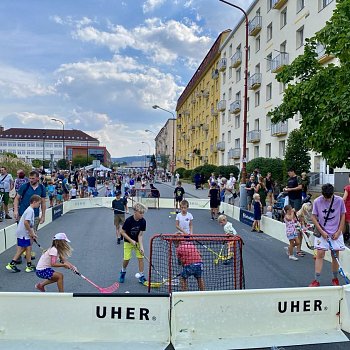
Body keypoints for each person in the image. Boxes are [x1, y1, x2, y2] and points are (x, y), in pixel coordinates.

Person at [309, 184, 346, 287]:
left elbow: (343, 215)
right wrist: (322, 232)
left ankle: (335, 279)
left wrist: (339, 231)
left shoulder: (339, 201)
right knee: (320, 254)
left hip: (336, 232)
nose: (327, 199)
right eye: (325, 197)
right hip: (322, 232)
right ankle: (316, 280)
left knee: (335, 255)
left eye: (329, 197)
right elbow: (313, 217)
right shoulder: (317, 201)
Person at [6, 195, 41, 273]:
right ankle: (12, 263)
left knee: (27, 248)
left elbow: (29, 224)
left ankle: (28, 265)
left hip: (23, 233)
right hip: (23, 233)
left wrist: (33, 233)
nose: (39, 205)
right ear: (34, 202)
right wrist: (31, 233)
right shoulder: (30, 211)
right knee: (24, 248)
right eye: (39, 203)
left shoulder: (30, 210)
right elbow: (26, 223)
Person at [119, 202, 148, 284]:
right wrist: (131, 240)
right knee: (127, 259)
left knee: (140, 258)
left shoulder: (143, 221)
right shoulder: (128, 221)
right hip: (128, 242)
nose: (142, 215)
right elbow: (122, 232)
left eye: (143, 213)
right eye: (141, 213)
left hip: (137, 242)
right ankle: (123, 271)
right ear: (135, 212)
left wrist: (141, 247)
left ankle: (141, 275)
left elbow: (140, 235)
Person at [342, 174, 350, 242]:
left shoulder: (348, 187)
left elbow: (344, 199)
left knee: (344, 222)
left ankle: (342, 237)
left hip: (347, 207)